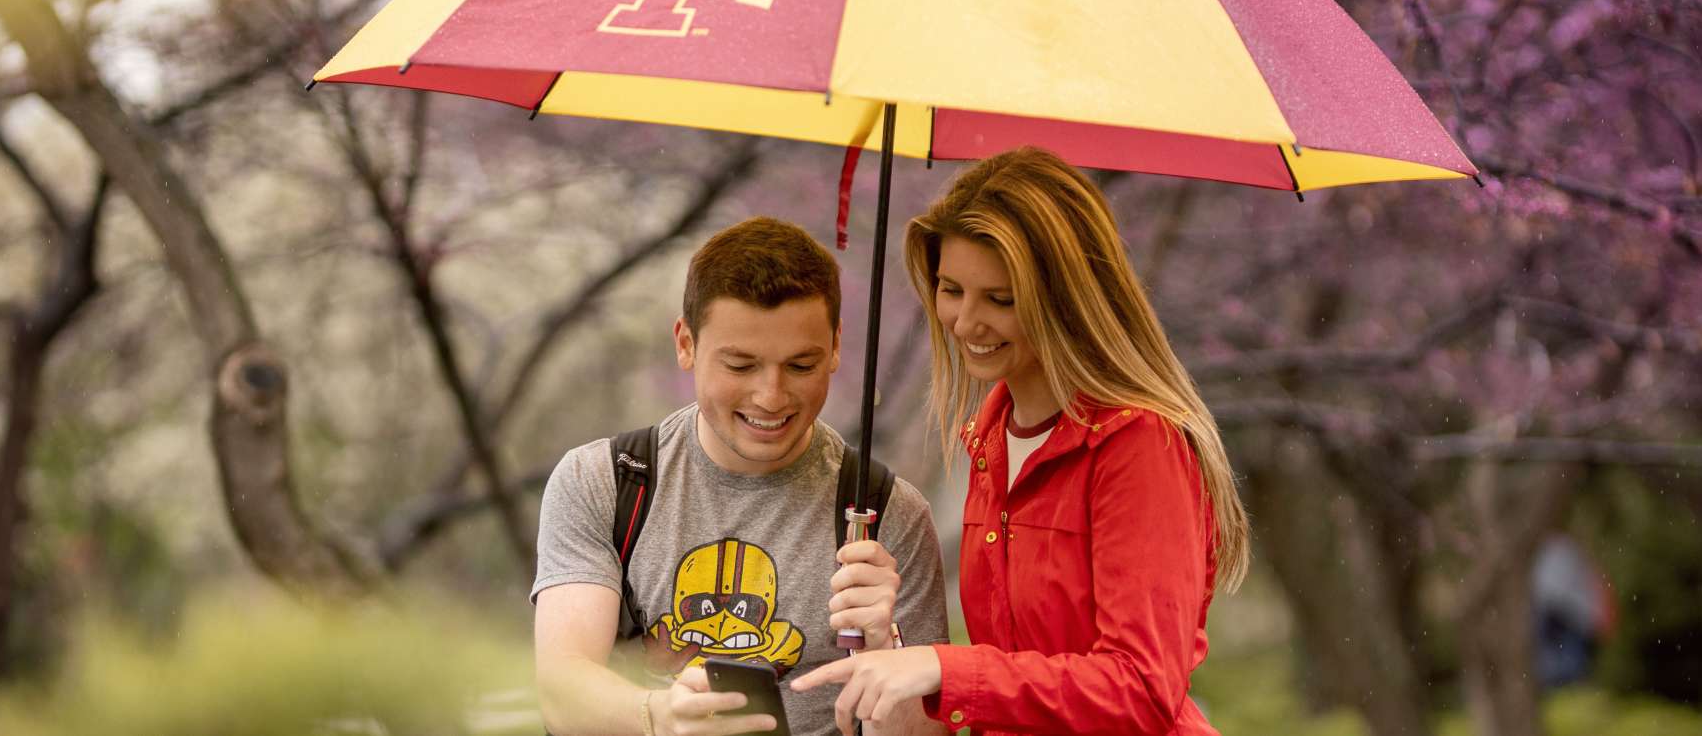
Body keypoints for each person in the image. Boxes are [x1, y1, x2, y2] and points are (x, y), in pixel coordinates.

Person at [792, 147, 1251, 736]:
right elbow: (1011, 690)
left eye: (1001, 299)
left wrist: (941, 667)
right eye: (951, 289)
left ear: (1066, 296)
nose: (965, 322)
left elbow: (1141, 688)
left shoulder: (1139, 444)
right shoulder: (991, 440)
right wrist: (889, 647)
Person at [533, 216, 951, 736]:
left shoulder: (886, 514)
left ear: (837, 346)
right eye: (740, 365)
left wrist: (886, 648)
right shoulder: (608, 482)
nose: (771, 396)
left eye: (800, 366)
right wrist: (662, 717)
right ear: (685, 343)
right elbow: (562, 691)